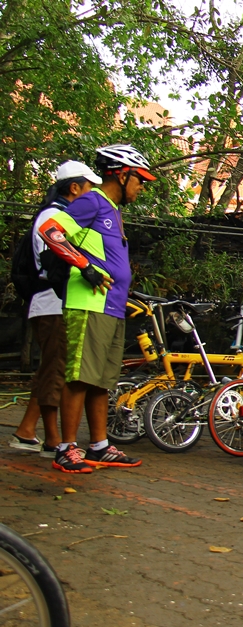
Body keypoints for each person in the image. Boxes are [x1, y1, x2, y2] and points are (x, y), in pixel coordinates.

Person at [37, 144, 156, 474]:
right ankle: (66, 448)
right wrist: (84, 266)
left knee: (101, 381)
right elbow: (50, 231)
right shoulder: (92, 201)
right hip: (88, 304)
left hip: (111, 306)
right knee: (79, 377)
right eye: (140, 179)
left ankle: (99, 446)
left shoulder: (113, 209)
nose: (142, 187)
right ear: (122, 175)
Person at [8, 162, 103, 457]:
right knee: (57, 370)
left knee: (50, 368)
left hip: (51, 302)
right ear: (74, 187)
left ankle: (26, 430)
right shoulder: (54, 217)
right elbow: (54, 262)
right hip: (52, 302)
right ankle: (53, 439)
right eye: (89, 187)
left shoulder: (60, 214)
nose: (93, 194)